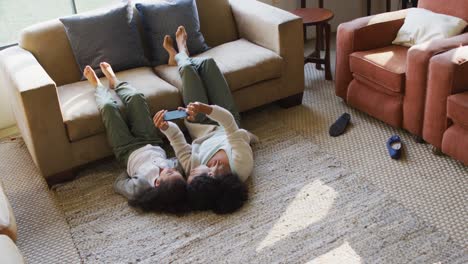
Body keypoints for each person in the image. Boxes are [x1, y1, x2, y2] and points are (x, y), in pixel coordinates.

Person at [153, 26, 257, 214]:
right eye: (193, 173)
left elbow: (178, 142)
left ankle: (180, 53)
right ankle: (180, 57)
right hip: (227, 119)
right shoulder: (241, 166)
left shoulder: (193, 169)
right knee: (208, 63)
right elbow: (229, 123)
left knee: (188, 71)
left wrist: (165, 127)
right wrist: (204, 108)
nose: (189, 172)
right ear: (211, 174)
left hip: (200, 123)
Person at [83, 62, 187, 214]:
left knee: (108, 107)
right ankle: (115, 81)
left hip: (126, 149)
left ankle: (98, 86)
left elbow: (118, 183)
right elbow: (187, 156)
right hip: (150, 139)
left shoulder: (141, 187)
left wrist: (130, 170)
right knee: (137, 98)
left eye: (169, 173)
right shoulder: (176, 170)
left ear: (157, 183)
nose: (170, 169)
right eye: (176, 172)